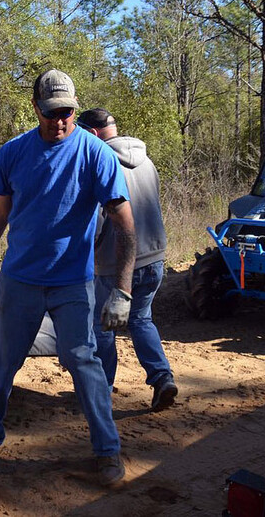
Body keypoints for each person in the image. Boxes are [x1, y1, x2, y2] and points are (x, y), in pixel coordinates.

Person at [0, 69, 137, 486]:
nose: (59, 121)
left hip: (72, 283)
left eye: (67, 112)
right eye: (51, 112)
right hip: (19, 280)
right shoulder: (13, 153)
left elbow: (125, 222)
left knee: (84, 361)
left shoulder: (95, 154)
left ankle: (107, 451)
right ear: (35, 107)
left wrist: (123, 290)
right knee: (2, 363)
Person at [77, 108, 178, 412]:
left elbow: (97, 221)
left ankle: (101, 390)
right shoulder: (146, 161)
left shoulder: (100, 162)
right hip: (153, 256)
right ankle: (162, 378)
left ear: (92, 134)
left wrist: (85, 251)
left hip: (115, 261)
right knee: (141, 319)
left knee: (103, 326)